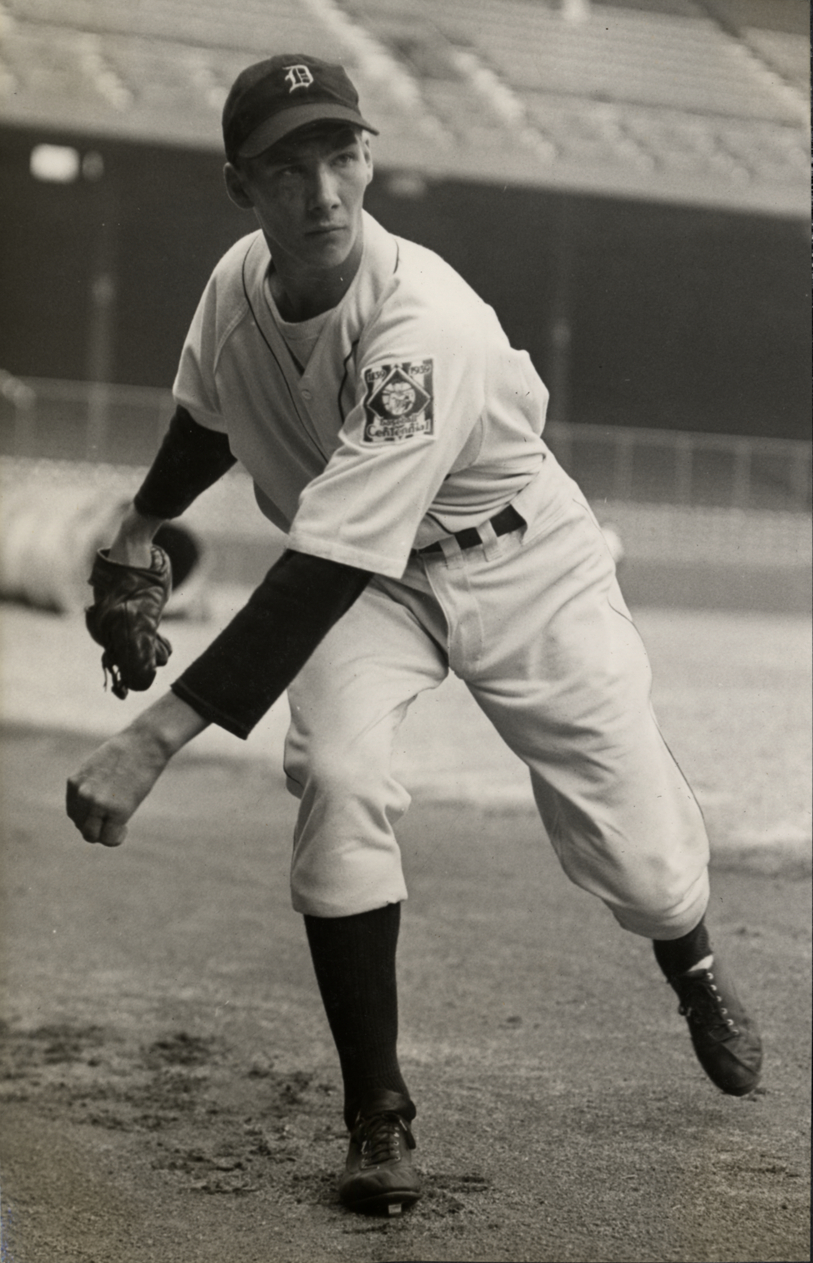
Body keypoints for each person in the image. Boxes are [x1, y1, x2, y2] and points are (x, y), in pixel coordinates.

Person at [66, 53, 763, 1216]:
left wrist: (153, 740)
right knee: (336, 771)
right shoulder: (237, 285)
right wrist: (140, 527)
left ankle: (689, 961)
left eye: (344, 156)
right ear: (244, 187)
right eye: (291, 169)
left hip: (519, 559)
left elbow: (326, 562)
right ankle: (377, 1118)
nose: (326, 193)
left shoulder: (422, 318)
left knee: (643, 863)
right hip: (374, 589)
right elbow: (207, 422)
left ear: (371, 156)